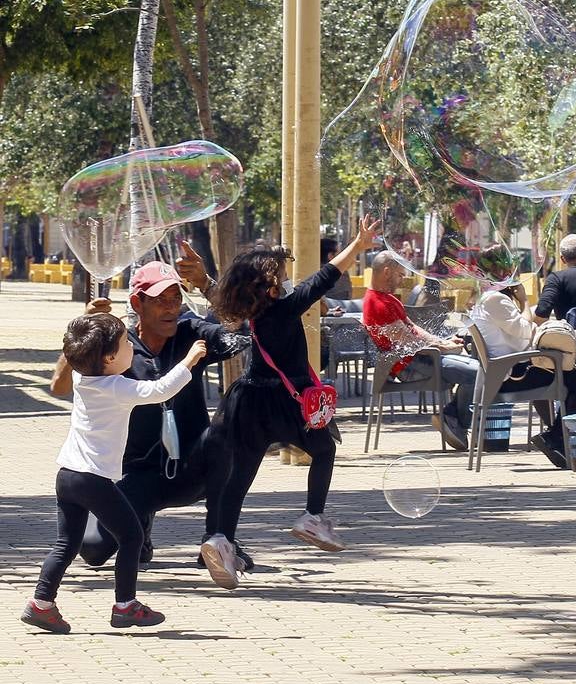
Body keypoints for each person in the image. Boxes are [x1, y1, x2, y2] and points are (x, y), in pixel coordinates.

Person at [200, 215, 381, 588]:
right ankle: (312, 517)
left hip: (250, 399)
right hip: (286, 400)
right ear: (268, 287)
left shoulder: (254, 314)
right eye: (280, 276)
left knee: (240, 476)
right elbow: (324, 277)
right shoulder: (282, 308)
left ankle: (220, 539)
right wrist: (358, 245)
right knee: (324, 450)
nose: (286, 281)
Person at [50, 248, 251, 570]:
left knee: (223, 432)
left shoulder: (192, 332)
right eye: (161, 300)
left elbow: (241, 333)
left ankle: (218, 539)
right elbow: (59, 387)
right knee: (92, 550)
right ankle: (140, 531)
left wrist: (206, 284)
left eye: (176, 298)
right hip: (138, 474)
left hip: (192, 467)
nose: (172, 308)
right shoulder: (116, 347)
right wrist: (82, 335)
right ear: (136, 304)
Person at [23, 313, 207, 634]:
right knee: (132, 536)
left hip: (67, 474)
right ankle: (125, 606)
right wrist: (189, 360)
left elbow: (77, 357)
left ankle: (41, 604)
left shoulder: (83, 380)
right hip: (93, 479)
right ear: (108, 358)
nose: (132, 350)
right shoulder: (117, 386)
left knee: (65, 544)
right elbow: (160, 390)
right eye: (125, 344)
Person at [470, 280, 576, 468]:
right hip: (513, 375)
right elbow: (526, 330)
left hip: (508, 371)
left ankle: (556, 437)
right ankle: (555, 438)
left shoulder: (484, 299)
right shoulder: (496, 299)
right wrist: (523, 302)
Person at [362, 250, 478, 450]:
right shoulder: (377, 303)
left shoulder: (388, 299)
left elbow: (414, 329)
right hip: (411, 366)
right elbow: (408, 340)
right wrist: (443, 347)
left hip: (421, 358)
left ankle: (451, 417)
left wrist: (443, 341)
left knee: (480, 369)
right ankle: (453, 418)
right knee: (478, 374)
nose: (403, 279)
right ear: (387, 272)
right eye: (400, 274)